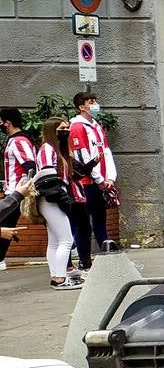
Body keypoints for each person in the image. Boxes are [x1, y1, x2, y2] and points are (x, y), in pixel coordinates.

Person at [68, 91, 118, 260]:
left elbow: (106, 152)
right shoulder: (77, 127)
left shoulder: (96, 126)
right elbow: (83, 157)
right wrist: (99, 179)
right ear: (82, 107)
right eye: (91, 102)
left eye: (95, 100)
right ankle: (77, 253)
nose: (95, 104)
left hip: (100, 181)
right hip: (86, 182)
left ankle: (107, 251)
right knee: (82, 222)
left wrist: (110, 177)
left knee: (99, 217)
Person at [34, 118, 83, 290]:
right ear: (52, 130)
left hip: (50, 198)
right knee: (66, 240)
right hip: (52, 198)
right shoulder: (48, 149)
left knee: (55, 241)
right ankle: (60, 278)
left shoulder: (52, 149)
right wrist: (64, 199)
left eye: (67, 127)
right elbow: (48, 179)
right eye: (62, 128)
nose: (66, 131)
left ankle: (57, 277)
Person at [1, 108, 35, 272]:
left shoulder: (18, 141)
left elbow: (30, 166)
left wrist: (25, 188)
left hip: (17, 191)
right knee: (5, 225)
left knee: (5, 224)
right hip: (14, 190)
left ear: (8, 122)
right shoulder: (15, 140)